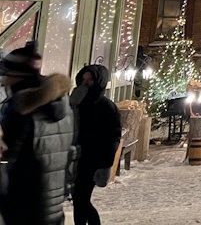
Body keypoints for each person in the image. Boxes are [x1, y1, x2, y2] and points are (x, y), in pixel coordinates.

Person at [0, 42, 75, 225]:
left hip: (23, 206)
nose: (4, 81)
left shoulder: (21, 108)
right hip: (53, 206)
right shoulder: (65, 106)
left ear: (18, 75)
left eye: (7, 75)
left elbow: (8, 159)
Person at [70, 64, 121, 225]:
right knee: (78, 201)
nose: (85, 83)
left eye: (90, 80)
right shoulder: (75, 102)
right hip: (75, 158)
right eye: (83, 79)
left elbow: (113, 137)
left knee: (81, 200)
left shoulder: (107, 107)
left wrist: (106, 164)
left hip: (93, 160)